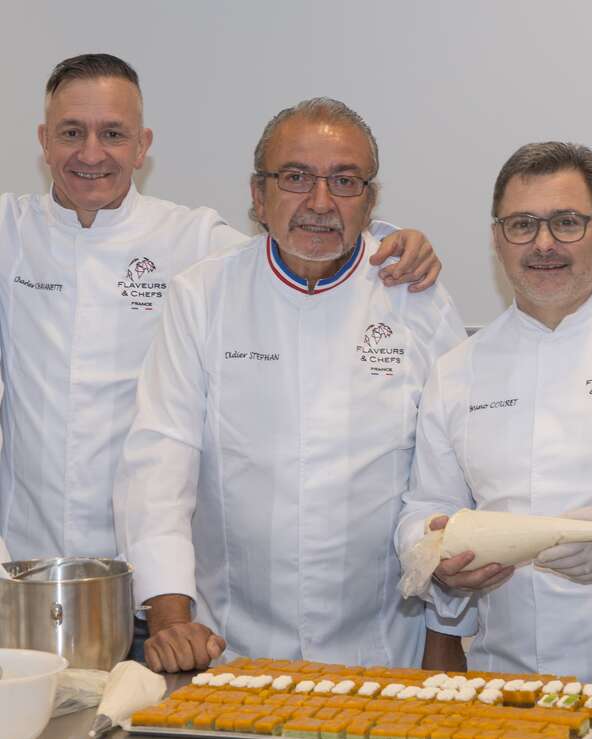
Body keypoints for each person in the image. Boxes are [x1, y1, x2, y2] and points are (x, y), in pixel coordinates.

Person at [0, 53, 440, 562]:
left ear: (142, 146)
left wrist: (391, 239)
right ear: (44, 141)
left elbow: (298, 243)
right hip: (23, 558)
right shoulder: (10, 230)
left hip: (148, 557)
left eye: (113, 134)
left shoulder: (193, 238)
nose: (91, 153)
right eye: (71, 132)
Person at [114, 97, 466, 673]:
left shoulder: (417, 299)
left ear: (370, 200)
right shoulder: (203, 296)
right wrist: (172, 621)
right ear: (258, 195)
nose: (320, 203)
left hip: (384, 655)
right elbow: (159, 465)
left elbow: (450, 481)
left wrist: (444, 643)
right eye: (296, 177)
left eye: (345, 181)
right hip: (229, 652)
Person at [396, 142, 592, 691]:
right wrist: (433, 556)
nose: (544, 243)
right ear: (497, 240)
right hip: (508, 687)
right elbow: (428, 505)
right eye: (522, 225)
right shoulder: (458, 370)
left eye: (567, 222)